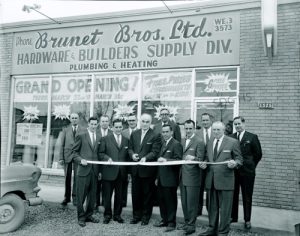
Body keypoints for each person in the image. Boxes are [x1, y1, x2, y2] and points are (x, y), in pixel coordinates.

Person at [198, 121, 243, 236]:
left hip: (226, 181)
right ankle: (212, 229)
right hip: (211, 180)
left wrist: (235, 163)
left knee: (225, 210)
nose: (216, 132)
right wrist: (204, 164)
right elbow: (207, 158)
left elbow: (239, 159)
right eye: (214, 130)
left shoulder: (233, 142)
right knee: (212, 208)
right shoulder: (209, 142)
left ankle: (223, 232)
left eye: (218, 130)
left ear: (224, 130)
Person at [128, 113, 161, 226]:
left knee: (147, 195)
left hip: (148, 170)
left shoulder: (155, 135)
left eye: (147, 121)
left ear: (150, 122)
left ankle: (146, 216)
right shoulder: (134, 133)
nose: (145, 123)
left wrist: (145, 158)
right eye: (143, 121)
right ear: (140, 122)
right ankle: (136, 216)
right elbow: (130, 148)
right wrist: (132, 155)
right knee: (136, 194)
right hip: (136, 170)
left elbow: (155, 152)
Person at [231, 116, 262, 230]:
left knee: (247, 196)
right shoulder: (231, 137)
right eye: (235, 124)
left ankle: (247, 220)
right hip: (234, 172)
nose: (237, 126)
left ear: (244, 124)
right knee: (233, 195)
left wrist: (251, 165)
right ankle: (233, 217)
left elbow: (258, 154)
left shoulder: (252, 137)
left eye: (239, 123)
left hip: (247, 172)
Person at [99, 119, 130, 224]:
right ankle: (107, 215)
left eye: (120, 127)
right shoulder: (105, 139)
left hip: (121, 173)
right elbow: (101, 153)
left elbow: (127, 157)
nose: (118, 129)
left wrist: (128, 172)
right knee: (107, 196)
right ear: (112, 128)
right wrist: (107, 158)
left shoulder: (126, 140)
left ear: (122, 128)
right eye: (116, 127)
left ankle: (117, 215)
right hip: (108, 172)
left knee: (119, 196)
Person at [72, 117, 101, 227]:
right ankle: (81, 217)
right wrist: (80, 160)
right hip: (83, 171)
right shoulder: (81, 136)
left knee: (92, 196)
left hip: (94, 171)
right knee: (81, 196)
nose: (93, 126)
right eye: (92, 124)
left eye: (95, 124)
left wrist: (99, 171)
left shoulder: (99, 137)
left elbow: (99, 154)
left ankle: (89, 215)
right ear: (88, 124)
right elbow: (74, 153)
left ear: (97, 125)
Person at [178, 119, 205, 235]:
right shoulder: (182, 141)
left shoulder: (199, 141)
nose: (188, 130)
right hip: (182, 176)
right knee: (184, 202)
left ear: (194, 129)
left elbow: (201, 159)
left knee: (192, 203)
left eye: (190, 128)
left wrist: (193, 158)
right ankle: (186, 222)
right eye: (186, 128)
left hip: (193, 177)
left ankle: (191, 225)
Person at [154, 124, 183, 232]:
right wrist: (157, 178)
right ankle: (164, 219)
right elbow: (159, 162)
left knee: (170, 201)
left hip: (170, 179)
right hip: (161, 178)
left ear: (171, 132)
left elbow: (178, 161)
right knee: (161, 200)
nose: (165, 134)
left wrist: (167, 160)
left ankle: (171, 222)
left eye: (167, 132)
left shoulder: (176, 144)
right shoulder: (163, 144)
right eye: (163, 132)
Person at [59, 113, 83, 206]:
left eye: (76, 118)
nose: (74, 119)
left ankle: (75, 198)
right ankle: (67, 197)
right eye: (72, 118)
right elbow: (62, 144)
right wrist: (61, 158)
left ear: (78, 119)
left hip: (77, 156)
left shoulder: (83, 130)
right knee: (67, 178)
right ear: (70, 119)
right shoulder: (65, 130)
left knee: (77, 178)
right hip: (67, 156)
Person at [95, 115, 113, 211]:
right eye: (103, 121)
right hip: (97, 162)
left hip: (107, 163)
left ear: (109, 122)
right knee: (96, 184)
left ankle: (105, 203)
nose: (105, 123)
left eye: (106, 121)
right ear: (100, 122)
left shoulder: (112, 133)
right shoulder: (96, 132)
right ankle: (96, 203)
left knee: (107, 185)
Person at [197, 113, 213, 216]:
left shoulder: (216, 132)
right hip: (199, 165)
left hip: (211, 166)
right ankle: (198, 210)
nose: (205, 122)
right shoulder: (197, 133)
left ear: (211, 121)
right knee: (199, 187)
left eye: (207, 120)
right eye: (203, 120)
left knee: (210, 188)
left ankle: (210, 210)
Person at [121, 113, 138, 207]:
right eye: (130, 120)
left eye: (133, 120)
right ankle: (123, 202)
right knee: (124, 181)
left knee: (136, 184)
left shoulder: (140, 131)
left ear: (136, 121)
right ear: (127, 122)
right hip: (125, 161)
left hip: (136, 160)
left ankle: (136, 204)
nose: (131, 122)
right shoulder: (123, 132)